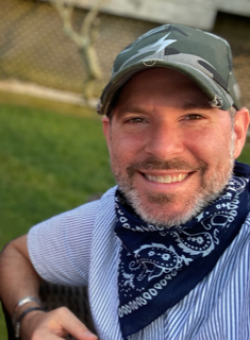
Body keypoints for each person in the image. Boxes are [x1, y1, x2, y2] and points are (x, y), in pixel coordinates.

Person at [0, 23, 250, 340]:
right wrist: (29, 315)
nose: (162, 148)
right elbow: (16, 255)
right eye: (137, 120)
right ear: (109, 135)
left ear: (236, 134)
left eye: (193, 117)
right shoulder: (105, 223)